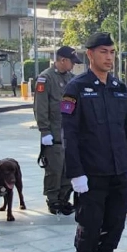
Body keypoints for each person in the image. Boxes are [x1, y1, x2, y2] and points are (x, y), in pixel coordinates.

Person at [61, 32, 127, 252]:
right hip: (92, 173)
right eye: (103, 52)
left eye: (112, 52)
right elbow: (69, 134)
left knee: (115, 223)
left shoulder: (119, 88)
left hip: (119, 170)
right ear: (90, 55)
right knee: (90, 224)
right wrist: (76, 173)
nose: (109, 57)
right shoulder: (77, 87)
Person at [33, 46, 78, 215]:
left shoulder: (71, 79)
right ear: (62, 60)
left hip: (69, 132)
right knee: (55, 169)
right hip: (53, 133)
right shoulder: (46, 78)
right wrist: (44, 130)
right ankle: (53, 199)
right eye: (71, 62)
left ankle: (64, 198)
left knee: (68, 168)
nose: (73, 65)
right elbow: (41, 106)